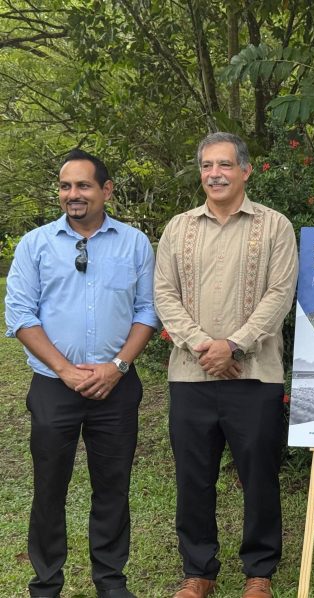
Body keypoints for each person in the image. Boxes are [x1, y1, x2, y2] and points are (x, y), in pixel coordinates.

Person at [5, 149, 157, 598]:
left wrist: (118, 367)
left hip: (117, 386)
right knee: (49, 490)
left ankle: (111, 583)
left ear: (106, 190)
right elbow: (20, 315)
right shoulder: (35, 245)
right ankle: (46, 584)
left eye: (84, 185)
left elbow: (147, 311)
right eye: (66, 186)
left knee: (113, 490)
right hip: (55, 389)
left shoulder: (134, 243)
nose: (73, 195)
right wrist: (66, 371)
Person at [154, 132, 298, 598]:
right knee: (193, 476)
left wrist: (233, 345)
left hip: (254, 374)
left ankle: (259, 572)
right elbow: (164, 295)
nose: (214, 173)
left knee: (259, 475)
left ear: (245, 170)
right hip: (191, 374)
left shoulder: (275, 226)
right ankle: (199, 571)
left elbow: (280, 294)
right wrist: (204, 346)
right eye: (206, 166)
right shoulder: (178, 227)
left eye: (224, 165)